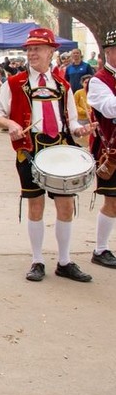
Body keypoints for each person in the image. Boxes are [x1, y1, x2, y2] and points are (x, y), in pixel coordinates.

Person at [0, 28, 96, 283]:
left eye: (37, 48)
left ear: (51, 52)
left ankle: (64, 261)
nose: (32, 53)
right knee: (35, 205)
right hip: (30, 149)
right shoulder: (14, 83)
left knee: (66, 205)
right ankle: (37, 260)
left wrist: (80, 129)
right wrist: (11, 124)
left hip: (59, 148)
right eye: (29, 49)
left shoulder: (62, 84)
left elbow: (70, 121)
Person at [83, 29, 116, 271]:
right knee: (112, 201)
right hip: (111, 151)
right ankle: (100, 249)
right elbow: (108, 109)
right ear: (109, 52)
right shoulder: (98, 80)